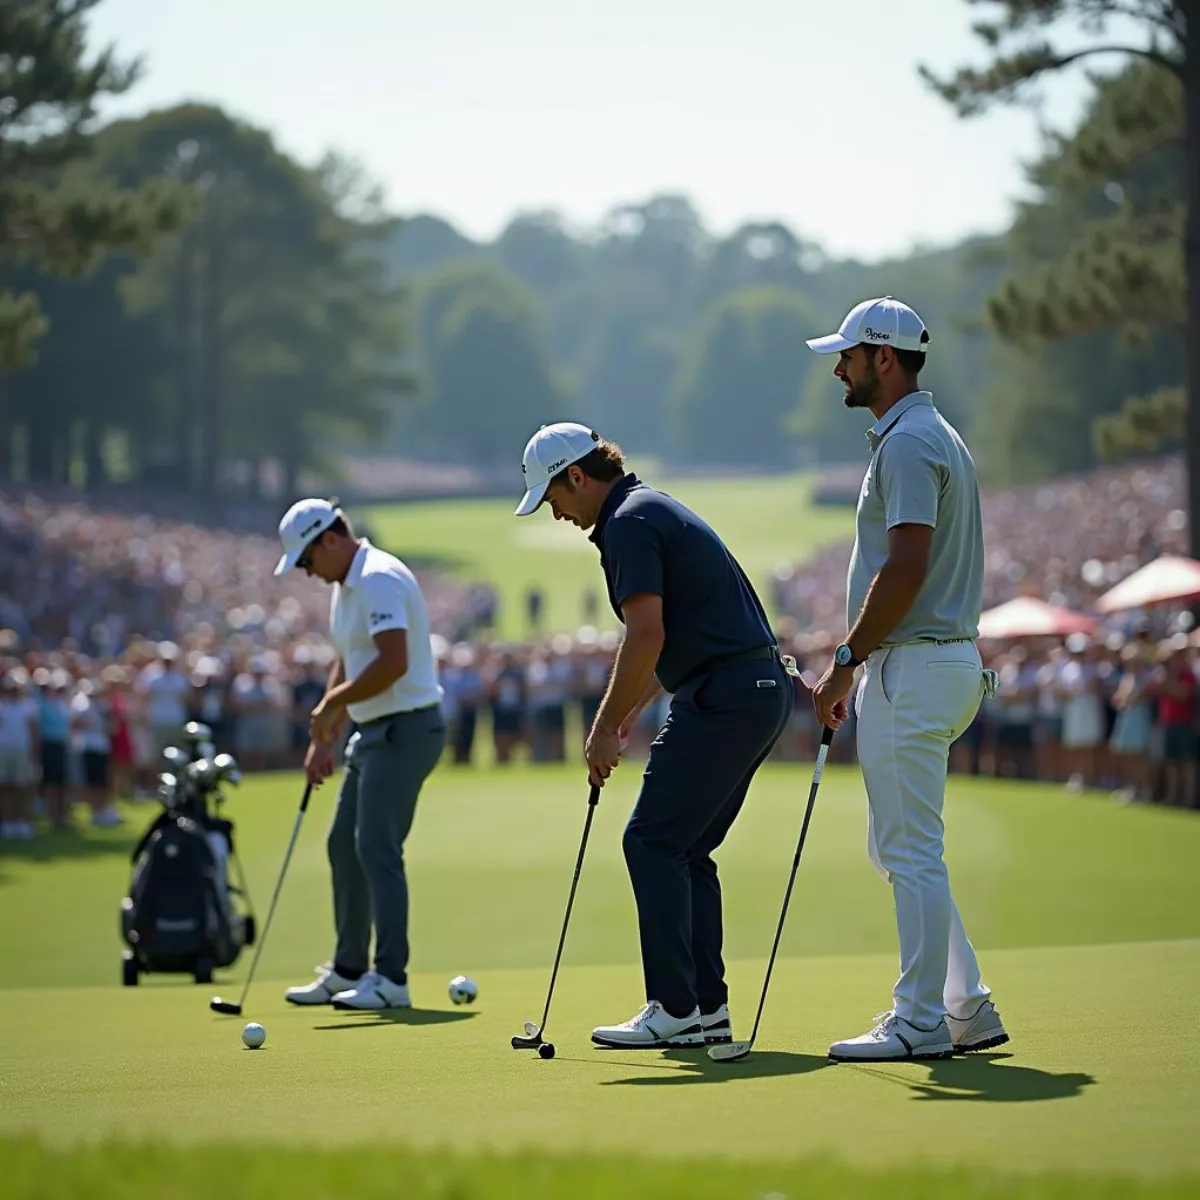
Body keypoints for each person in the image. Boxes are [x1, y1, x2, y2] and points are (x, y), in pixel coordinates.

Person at [514, 422, 793, 1049]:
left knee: (650, 842)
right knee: (684, 849)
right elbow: (662, 652)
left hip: (725, 697)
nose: (556, 513)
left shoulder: (626, 524)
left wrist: (605, 726)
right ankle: (703, 1010)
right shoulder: (647, 508)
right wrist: (622, 720)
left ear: (578, 477)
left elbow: (646, 636)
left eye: (553, 497)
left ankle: (673, 1008)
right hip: (750, 692)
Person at [807, 296, 1008, 1062]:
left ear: (882, 358)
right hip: (942, 662)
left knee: (911, 850)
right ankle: (965, 1004)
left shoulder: (908, 442)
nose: (838, 369)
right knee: (898, 847)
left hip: (912, 664)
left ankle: (921, 1019)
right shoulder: (930, 433)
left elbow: (907, 566)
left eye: (848, 357)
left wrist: (845, 661)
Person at [275, 498, 445, 1011]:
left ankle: (390, 977)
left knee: (375, 848)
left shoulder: (377, 579)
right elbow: (350, 661)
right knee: (342, 847)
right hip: (372, 731)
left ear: (330, 539)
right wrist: (323, 734)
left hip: (407, 728)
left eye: (306, 560)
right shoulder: (345, 584)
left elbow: (393, 662)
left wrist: (333, 705)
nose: (307, 573)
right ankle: (348, 968)